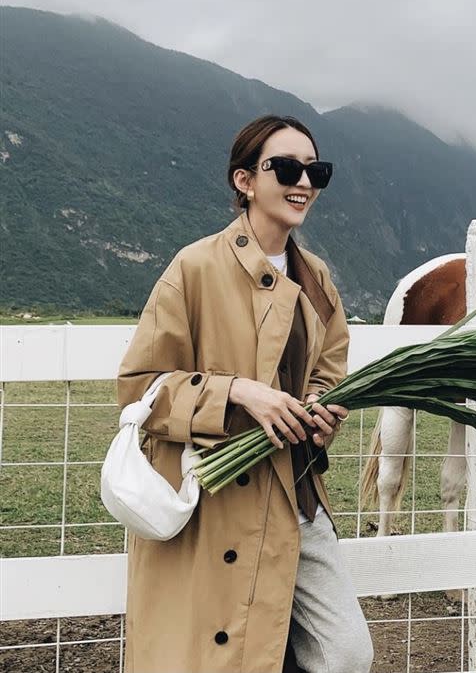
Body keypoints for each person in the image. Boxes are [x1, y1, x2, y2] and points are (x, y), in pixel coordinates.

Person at [117, 114, 374, 673]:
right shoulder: (195, 267)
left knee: (346, 653)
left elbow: (330, 371)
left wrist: (325, 411)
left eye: (316, 170)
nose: (303, 182)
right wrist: (237, 394)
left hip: (293, 493)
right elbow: (141, 388)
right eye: (285, 167)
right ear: (245, 181)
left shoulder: (318, 278)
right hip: (215, 500)